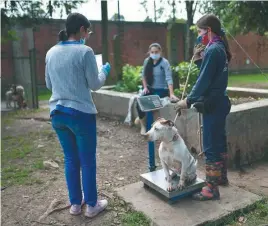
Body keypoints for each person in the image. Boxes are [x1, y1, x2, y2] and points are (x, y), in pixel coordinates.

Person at [45, 13, 111, 217]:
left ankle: (75, 204)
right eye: (88, 31)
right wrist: (105, 71)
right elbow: (95, 84)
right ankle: (92, 205)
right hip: (80, 114)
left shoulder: (50, 52)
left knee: (71, 160)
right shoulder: (85, 51)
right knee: (87, 161)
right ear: (82, 29)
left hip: (57, 114)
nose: (88, 35)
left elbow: (48, 85)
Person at [175, 14, 232, 201]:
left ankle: (211, 188)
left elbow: (204, 81)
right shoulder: (219, 47)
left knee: (210, 146)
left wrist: (188, 100)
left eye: (200, 32)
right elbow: (212, 73)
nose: (199, 36)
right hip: (221, 101)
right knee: (219, 141)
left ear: (208, 30)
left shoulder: (214, 49)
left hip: (213, 104)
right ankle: (221, 177)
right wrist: (200, 59)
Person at [135, 43, 178, 135]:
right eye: (152, 52)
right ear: (149, 52)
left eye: (156, 52)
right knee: (139, 103)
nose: (154, 54)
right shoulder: (147, 61)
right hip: (150, 88)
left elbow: (169, 78)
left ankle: (151, 126)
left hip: (161, 89)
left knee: (153, 103)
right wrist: (145, 87)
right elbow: (143, 76)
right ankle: (143, 125)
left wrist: (171, 94)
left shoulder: (165, 63)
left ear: (160, 52)